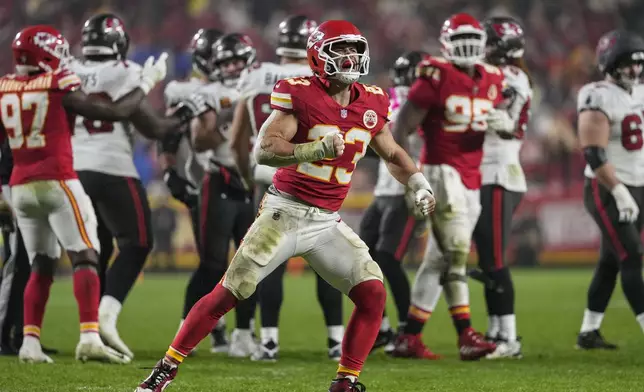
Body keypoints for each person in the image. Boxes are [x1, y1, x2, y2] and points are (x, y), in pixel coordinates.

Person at [135, 20, 435, 392]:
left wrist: (418, 184)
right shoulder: (300, 93)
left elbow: (391, 152)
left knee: (373, 293)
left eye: (354, 49)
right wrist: (314, 149)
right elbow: (265, 149)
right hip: (284, 212)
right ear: (317, 55)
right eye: (340, 50)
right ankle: (164, 370)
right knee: (228, 292)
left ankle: (346, 381)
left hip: (326, 222)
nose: (350, 57)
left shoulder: (372, 100)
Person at [0, 25, 167, 364]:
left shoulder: (4, 86)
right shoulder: (57, 82)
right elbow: (114, 112)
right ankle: (90, 335)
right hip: (58, 180)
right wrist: (148, 82)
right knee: (87, 255)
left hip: (20, 186)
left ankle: (29, 342)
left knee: (40, 265)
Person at [390, 13, 516, 361]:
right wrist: (408, 176)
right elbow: (402, 126)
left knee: (438, 258)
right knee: (457, 253)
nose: (467, 46)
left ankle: (409, 337)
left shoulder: (492, 77)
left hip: (472, 174)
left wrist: (503, 125)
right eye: (459, 39)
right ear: (446, 43)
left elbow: (495, 124)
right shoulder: (436, 73)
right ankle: (466, 335)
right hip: (441, 170)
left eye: (472, 38)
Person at [230, 14, 345, 362]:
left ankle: (268, 341)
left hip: (268, 181)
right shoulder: (321, 77)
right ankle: (336, 340)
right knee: (329, 262)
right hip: (314, 179)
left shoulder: (256, 76)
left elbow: (238, 139)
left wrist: (249, 177)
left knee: (267, 263)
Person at [182, 32, 260, 358]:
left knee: (253, 264)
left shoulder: (259, 89)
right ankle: (185, 329)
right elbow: (200, 140)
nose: (231, 67)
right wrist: (226, 125)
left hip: (252, 183)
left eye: (237, 60)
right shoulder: (211, 93)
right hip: (220, 180)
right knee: (212, 264)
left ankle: (243, 334)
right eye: (225, 62)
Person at [161, 27, 231, 354]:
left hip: (239, 180)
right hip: (202, 182)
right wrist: (167, 171)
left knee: (238, 266)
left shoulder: (240, 83)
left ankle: (231, 330)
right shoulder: (184, 90)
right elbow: (169, 133)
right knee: (212, 264)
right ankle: (192, 330)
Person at [576, 29, 644, 349]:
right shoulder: (598, 94)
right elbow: (593, 151)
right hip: (606, 186)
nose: (635, 70)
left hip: (639, 184)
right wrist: (618, 190)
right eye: (629, 63)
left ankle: (589, 332)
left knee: (610, 261)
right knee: (631, 255)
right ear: (611, 62)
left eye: (639, 63)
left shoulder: (641, 93)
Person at [471, 16, 533, 359]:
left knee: (495, 259)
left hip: (498, 173)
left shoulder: (509, 76)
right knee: (487, 258)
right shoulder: (503, 73)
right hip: (488, 172)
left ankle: (508, 338)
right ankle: (496, 330)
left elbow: (506, 125)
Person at [360, 50, 427, 353]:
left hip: (405, 191)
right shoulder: (388, 98)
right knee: (361, 261)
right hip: (383, 191)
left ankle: (406, 330)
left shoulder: (427, 105)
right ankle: (383, 328)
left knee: (388, 258)